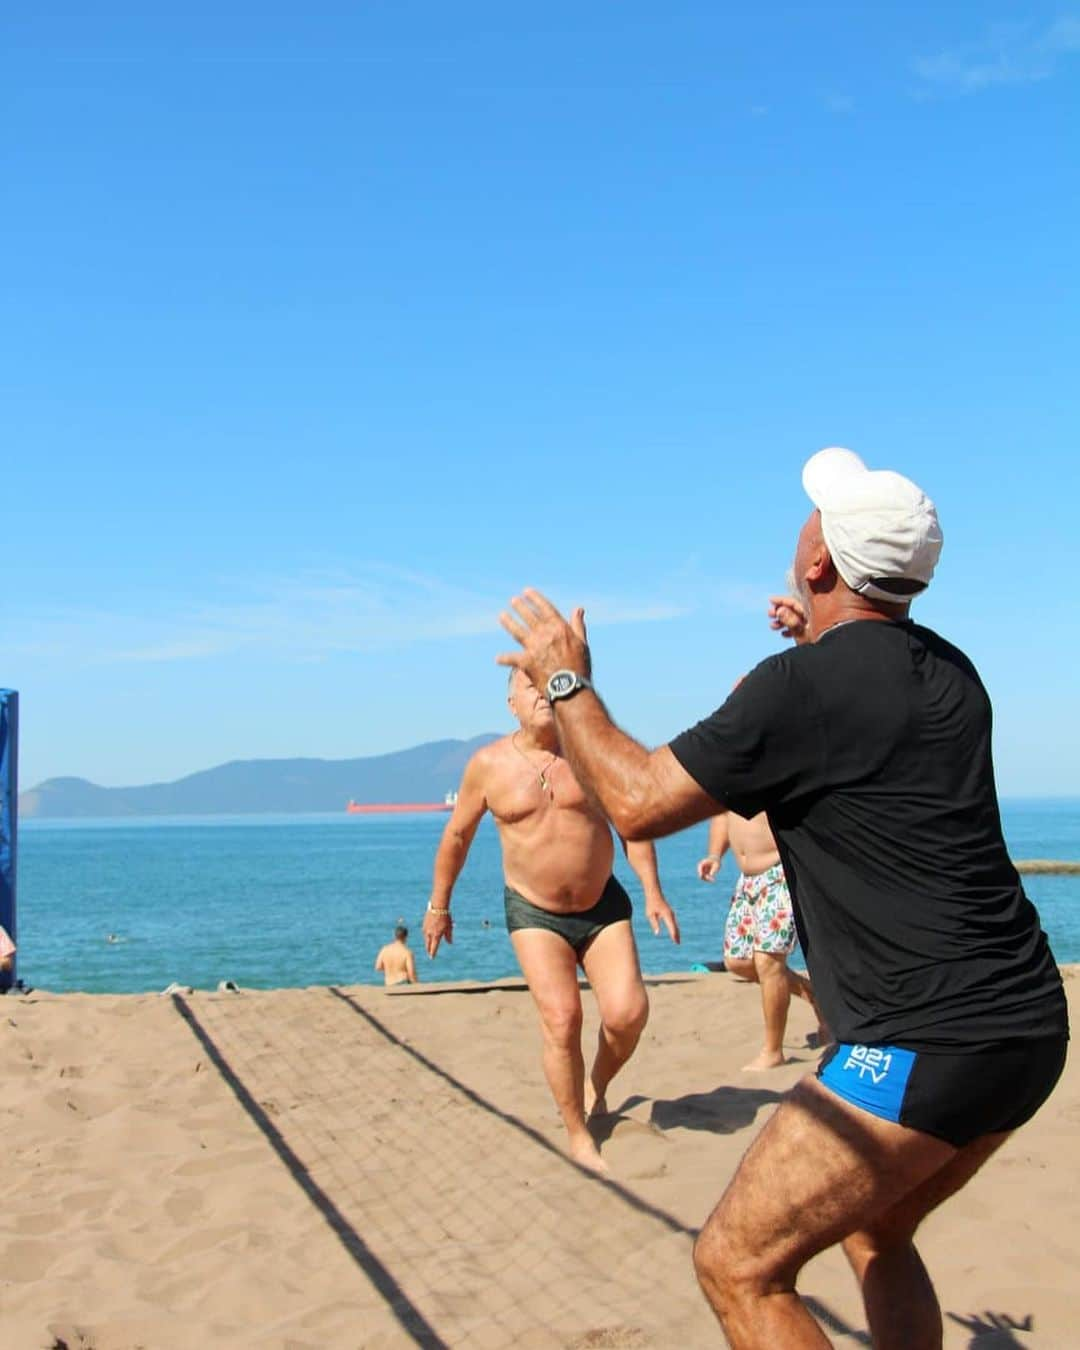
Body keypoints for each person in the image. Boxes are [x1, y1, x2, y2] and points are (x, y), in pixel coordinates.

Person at [496, 446, 1068, 1349]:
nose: (801, 524)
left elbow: (638, 802)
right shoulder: (954, 673)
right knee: (877, 1231)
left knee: (738, 1267)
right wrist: (813, 632)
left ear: (819, 565)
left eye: (816, 519)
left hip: (925, 1040)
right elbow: (861, 707)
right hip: (1031, 1029)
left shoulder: (797, 690)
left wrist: (566, 679)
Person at [422, 667, 680, 1175]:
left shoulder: (589, 755)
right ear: (511, 701)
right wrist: (438, 906)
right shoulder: (488, 765)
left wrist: (653, 892)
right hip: (534, 910)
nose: (541, 691)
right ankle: (577, 1133)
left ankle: (597, 1086)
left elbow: (631, 825)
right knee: (562, 1018)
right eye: (528, 683)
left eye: (547, 680)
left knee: (628, 1014)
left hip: (602, 903)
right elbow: (457, 837)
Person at [697, 810, 825, 1067]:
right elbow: (722, 814)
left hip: (780, 872)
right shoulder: (728, 773)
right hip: (747, 879)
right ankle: (812, 991)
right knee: (737, 962)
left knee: (768, 964)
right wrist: (714, 854)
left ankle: (773, 1051)